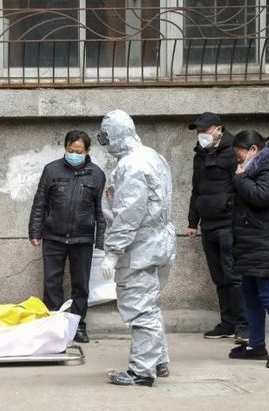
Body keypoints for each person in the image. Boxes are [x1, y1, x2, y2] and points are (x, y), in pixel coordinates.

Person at [98, 110, 176, 387]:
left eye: (105, 137)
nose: (105, 143)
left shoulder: (131, 166)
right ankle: (158, 361)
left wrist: (112, 252)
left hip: (140, 248)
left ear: (114, 136)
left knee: (140, 308)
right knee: (149, 305)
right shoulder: (152, 156)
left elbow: (128, 214)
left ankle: (141, 371)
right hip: (159, 243)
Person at [28, 130, 106, 343]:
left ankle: (78, 325)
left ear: (87, 151)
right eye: (71, 150)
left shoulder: (97, 174)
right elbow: (40, 202)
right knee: (52, 283)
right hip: (53, 237)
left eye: (79, 152)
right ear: (65, 148)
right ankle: (54, 325)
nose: (74, 154)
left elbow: (101, 210)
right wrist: (35, 231)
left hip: (82, 238)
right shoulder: (51, 170)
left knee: (81, 285)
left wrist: (100, 242)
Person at [228, 130, 269, 368]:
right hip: (253, 242)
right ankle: (256, 345)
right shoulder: (256, 168)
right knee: (250, 295)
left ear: (254, 150)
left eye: (239, 155)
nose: (238, 160)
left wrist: (240, 178)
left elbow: (262, 195)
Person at [187, 112, 247, 342]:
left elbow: (242, 185)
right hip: (208, 223)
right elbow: (196, 189)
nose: (201, 134)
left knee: (234, 275)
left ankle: (244, 325)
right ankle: (228, 323)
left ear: (218, 129)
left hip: (229, 222)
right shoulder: (200, 154)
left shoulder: (234, 151)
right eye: (198, 131)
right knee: (219, 276)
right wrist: (192, 222)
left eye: (205, 130)